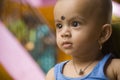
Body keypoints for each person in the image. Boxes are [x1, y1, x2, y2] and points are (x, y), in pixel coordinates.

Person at [46, 0, 120, 80]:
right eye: (59, 25)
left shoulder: (114, 69)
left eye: (75, 24)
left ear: (103, 33)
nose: (64, 33)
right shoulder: (53, 75)